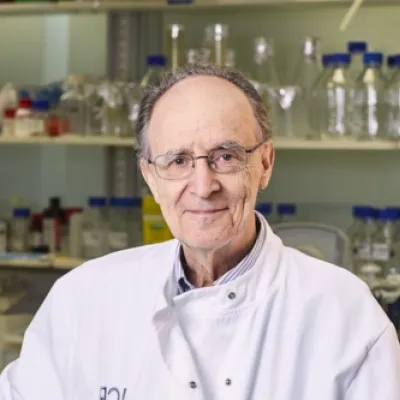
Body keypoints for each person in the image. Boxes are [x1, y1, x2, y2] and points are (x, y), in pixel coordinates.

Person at [0, 65, 399, 400]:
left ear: (265, 162)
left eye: (226, 156)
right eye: (178, 160)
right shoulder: (83, 299)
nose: (203, 185)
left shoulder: (345, 314)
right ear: (150, 177)